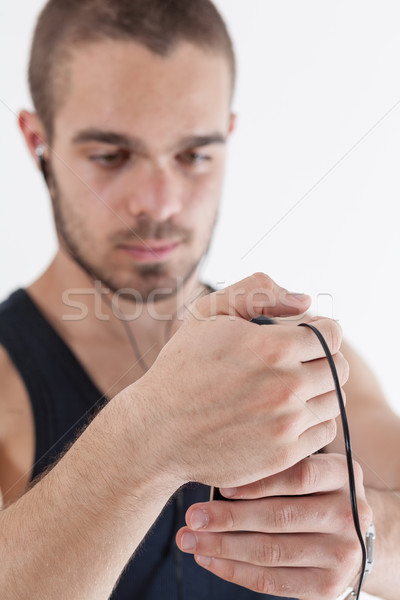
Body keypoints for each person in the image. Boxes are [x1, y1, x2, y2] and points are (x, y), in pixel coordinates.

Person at [0, 1, 398, 599]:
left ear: (228, 139)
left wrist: (375, 539)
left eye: (193, 155)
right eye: (110, 155)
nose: (159, 203)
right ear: (40, 143)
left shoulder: (296, 363)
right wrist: (146, 436)